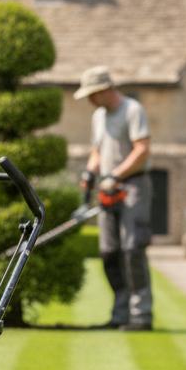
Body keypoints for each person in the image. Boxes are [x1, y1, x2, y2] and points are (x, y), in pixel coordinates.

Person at [75, 66, 153, 331]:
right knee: (109, 252)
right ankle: (120, 315)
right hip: (107, 188)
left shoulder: (132, 110)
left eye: (92, 94)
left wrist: (116, 175)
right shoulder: (98, 116)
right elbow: (97, 151)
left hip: (133, 186)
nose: (89, 100)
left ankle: (141, 316)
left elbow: (142, 150)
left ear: (105, 90)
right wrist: (90, 172)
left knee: (132, 249)